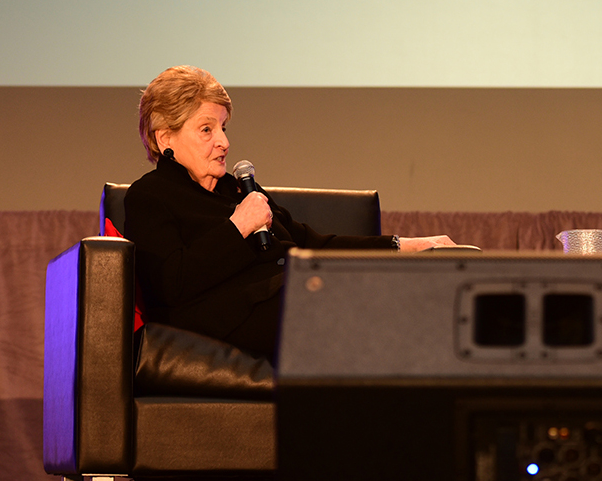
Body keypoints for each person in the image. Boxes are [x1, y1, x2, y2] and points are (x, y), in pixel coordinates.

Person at [124, 65, 459, 361]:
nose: (224, 142)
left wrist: (403, 246)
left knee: (406, 294)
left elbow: (310, 244)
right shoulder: (150, 195)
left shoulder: (238, 189)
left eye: (224, 128)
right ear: (166, 137)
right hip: (228, 316)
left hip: (292, 293)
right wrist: (237, 226)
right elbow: (170, 284)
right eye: (207, 129)